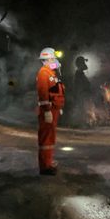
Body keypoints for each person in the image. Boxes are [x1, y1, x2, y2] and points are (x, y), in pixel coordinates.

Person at [36, 47, 65, 175]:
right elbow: (43, 93)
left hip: (54, 109)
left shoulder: (50, 73)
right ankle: (45, 167)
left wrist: (59, 107)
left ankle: (48, 162)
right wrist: (47, 110)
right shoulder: (43, 73)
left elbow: (56, 91)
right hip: (48, 110)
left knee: (50, 137)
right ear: (47, 59)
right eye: (53, 59)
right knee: (46, 138)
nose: (55, 61)